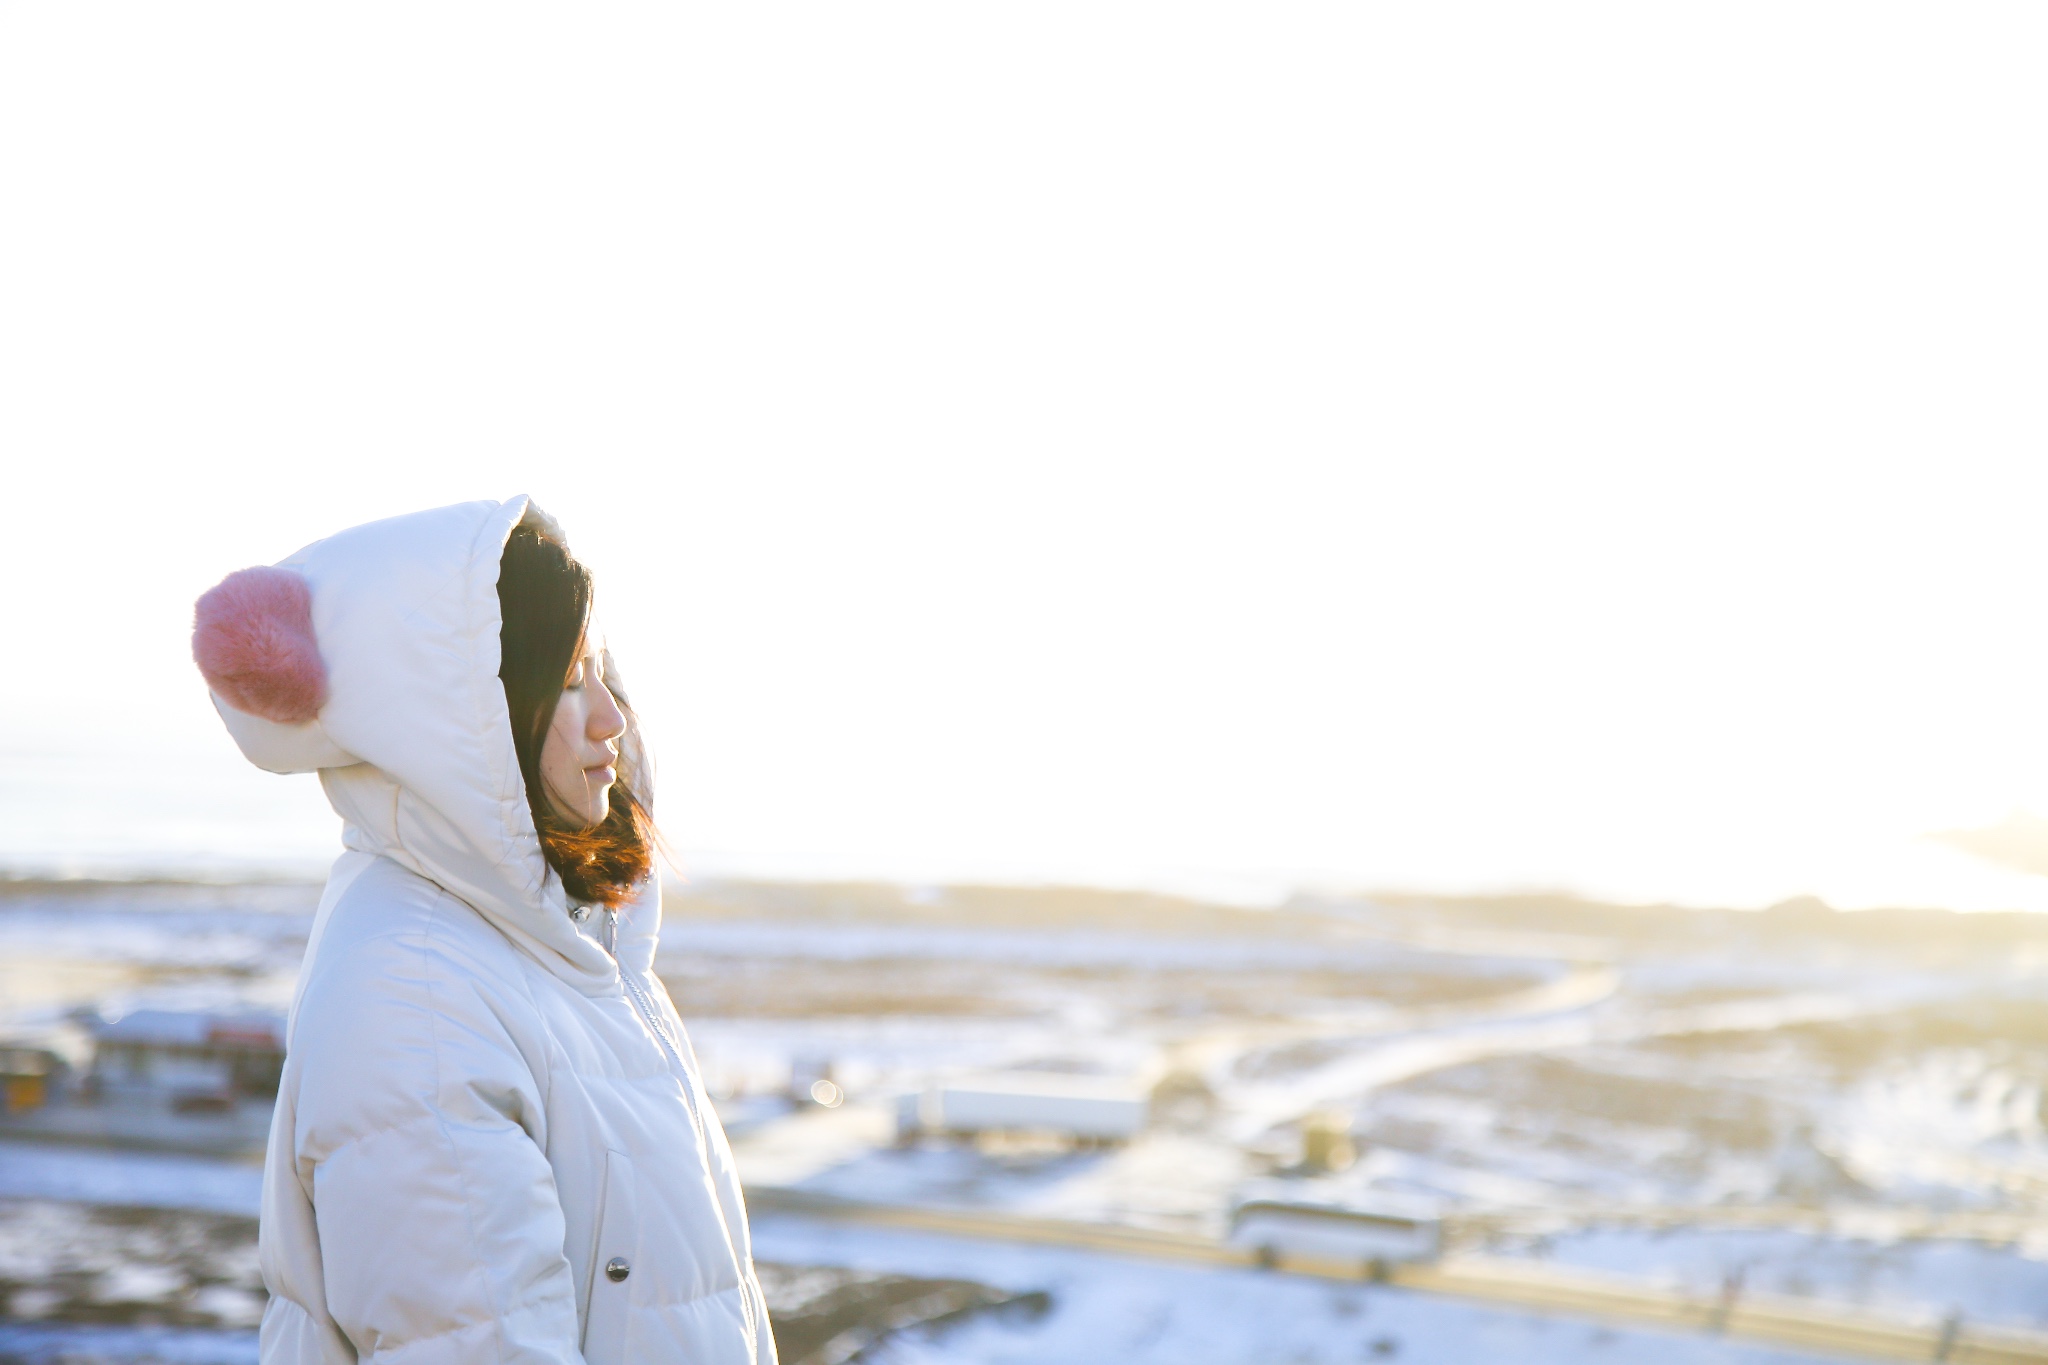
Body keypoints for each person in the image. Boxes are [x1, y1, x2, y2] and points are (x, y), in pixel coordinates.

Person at [192, 497, 775, 1365]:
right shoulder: (414, 995)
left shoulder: (571, 949)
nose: (613, 717)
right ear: (469, 725)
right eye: (571, 679)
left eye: (603, 670)